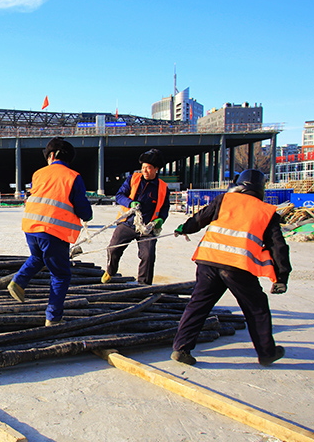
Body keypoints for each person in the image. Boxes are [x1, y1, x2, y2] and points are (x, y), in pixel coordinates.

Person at [171, 169, 291, 366]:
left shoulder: (224, 200)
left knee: (198, 305)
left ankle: (181, 348)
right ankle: (267, 352)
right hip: (238, 267)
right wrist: (282, 277)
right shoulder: (267, 212)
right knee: (256, 309)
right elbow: (278, 247)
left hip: (208, 261)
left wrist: (184, 228)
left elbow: (200, 218)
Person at [7, 137, 93, 326]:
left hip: (31, 228)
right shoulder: (73, 177)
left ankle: (18, 282)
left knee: (37, 257)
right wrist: (88, 215)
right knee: (61, 275)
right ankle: (53, 318)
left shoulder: (38, 174)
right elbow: (83, 209)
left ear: (52, 155)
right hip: (53, 232)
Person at [101, 148, 170, 285]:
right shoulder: (133, 179)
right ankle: (111, 271)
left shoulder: (163, 187)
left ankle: (144, 285)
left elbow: (165, 208)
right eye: (143, 167)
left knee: (148, 256)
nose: (145, 170)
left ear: (156, 169)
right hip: (128, 223)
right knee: (113, 248)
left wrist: (161, 219)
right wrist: (130, 203)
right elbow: (119, 195)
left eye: (148, 168)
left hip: (147, 228)